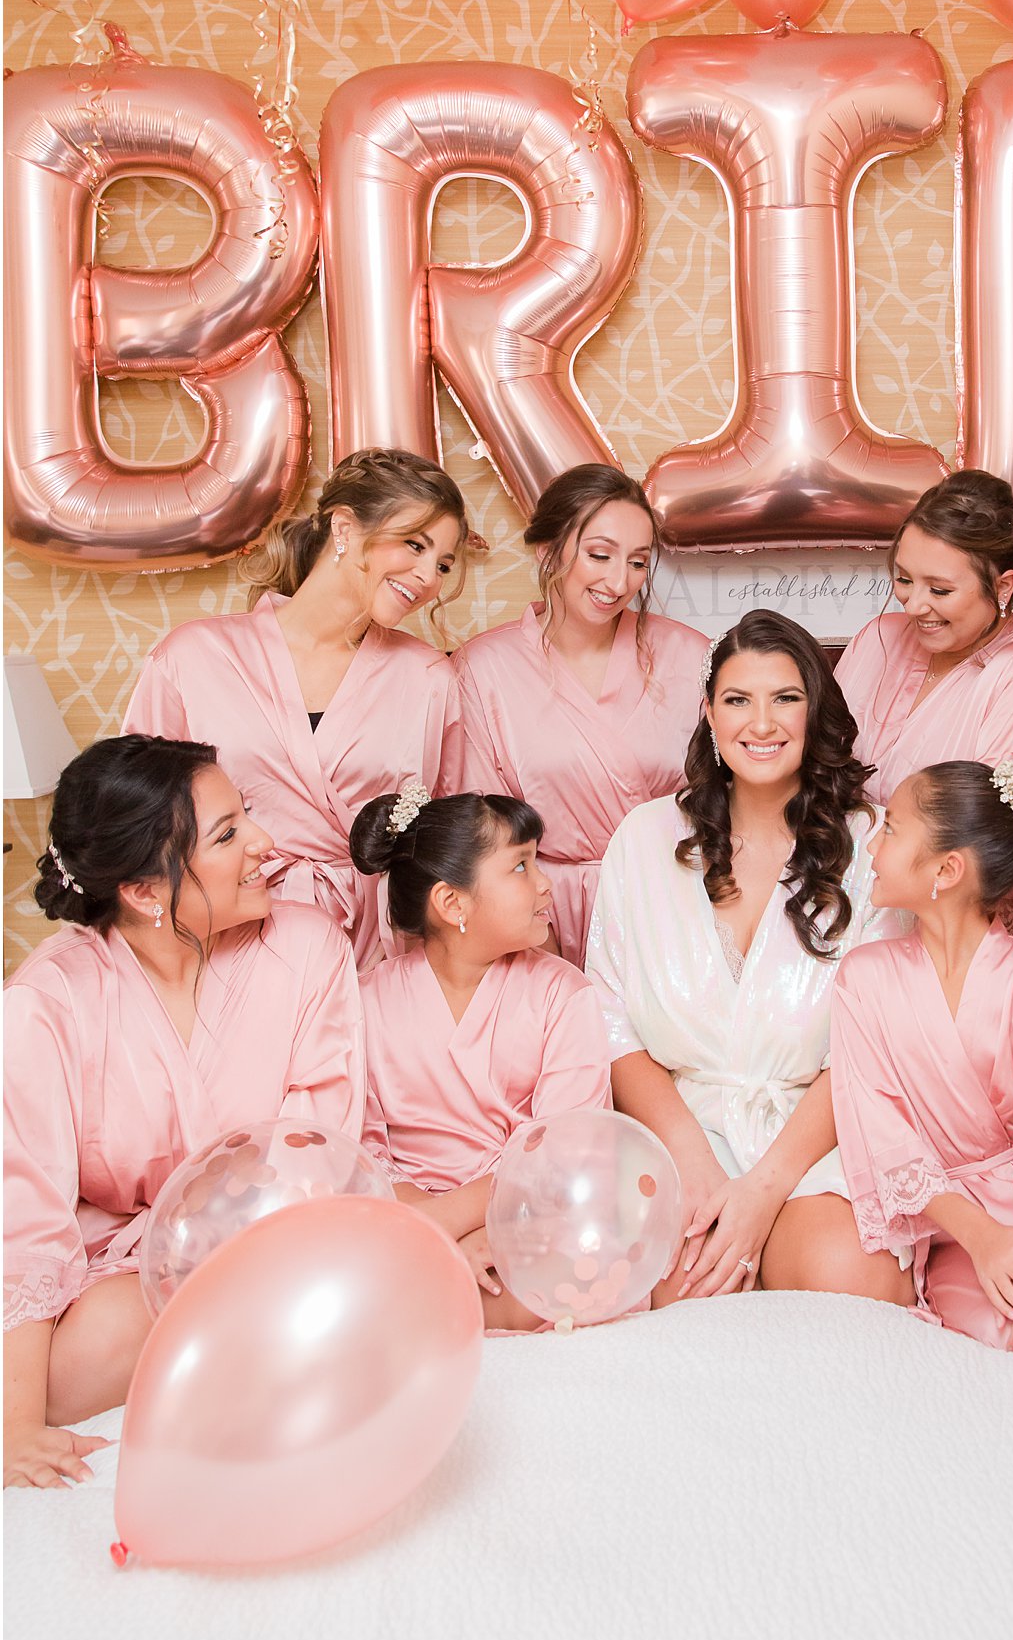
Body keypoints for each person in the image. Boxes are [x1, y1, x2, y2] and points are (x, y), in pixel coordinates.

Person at [4, 735, 365, 1489]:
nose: (267, 844)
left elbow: (318, 1145)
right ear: (143, 890)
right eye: (229, 834)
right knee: (90, 1344)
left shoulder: (309, 950)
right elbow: (25, 1209)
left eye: (248, 816)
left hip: (269, 1241)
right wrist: (16, 1423)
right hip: (110, 1268)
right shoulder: (49, 1000)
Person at [584, 609, 912, 1308]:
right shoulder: (643, 838)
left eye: (785, 698)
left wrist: (763, 1191)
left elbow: (871, 1049)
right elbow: (610, 1022)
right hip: (685, 1129)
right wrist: (694, 1165)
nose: (760, 723)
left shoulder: (875, 843)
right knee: (677, 1285)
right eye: (738, 700)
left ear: (814, 709)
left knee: (852, 1281)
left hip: (820, 1141)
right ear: (708, 711)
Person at [125, 450, 469, 969]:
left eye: (442, 564)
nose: (427, 577)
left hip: (369, 950)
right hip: (222, 941)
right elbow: (135, 822)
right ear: (346, 527)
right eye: (414, 545)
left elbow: (450, 836)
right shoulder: (193, 658)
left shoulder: (427, 679)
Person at [831, 758, 1013, 1355]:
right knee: (999, 1338)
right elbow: (880, 1129)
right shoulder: (863, 979)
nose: (871, 843)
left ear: (947, 869)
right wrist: (981, 1238)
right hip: (948, 1224)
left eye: (892, 829)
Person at [351, 785, 612, 1331]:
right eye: (521, 867)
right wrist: (426, 1232)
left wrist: (459, 1229)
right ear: (452, 904)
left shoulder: (563, 995)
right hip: (406, 1223)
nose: (546, 884)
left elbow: (564, 1153)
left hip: (530, 1224)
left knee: (561, 1278)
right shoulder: (367, 1001)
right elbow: (364, 1151)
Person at [454, 466, 707, 967]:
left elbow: (732, 799)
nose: (620, 582)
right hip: (542, 913)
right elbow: (484, 828)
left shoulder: (688, 654)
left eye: (638, 562)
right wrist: (536, 946)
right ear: (547, 551)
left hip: (676, 906)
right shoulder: (484, 669)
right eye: (599, 555)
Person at [833, 471, 1013, 802]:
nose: (914, 607)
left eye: (939, 590)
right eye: (905, 580)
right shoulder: (876, 639)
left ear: (1003, 586)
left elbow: (997, 834)